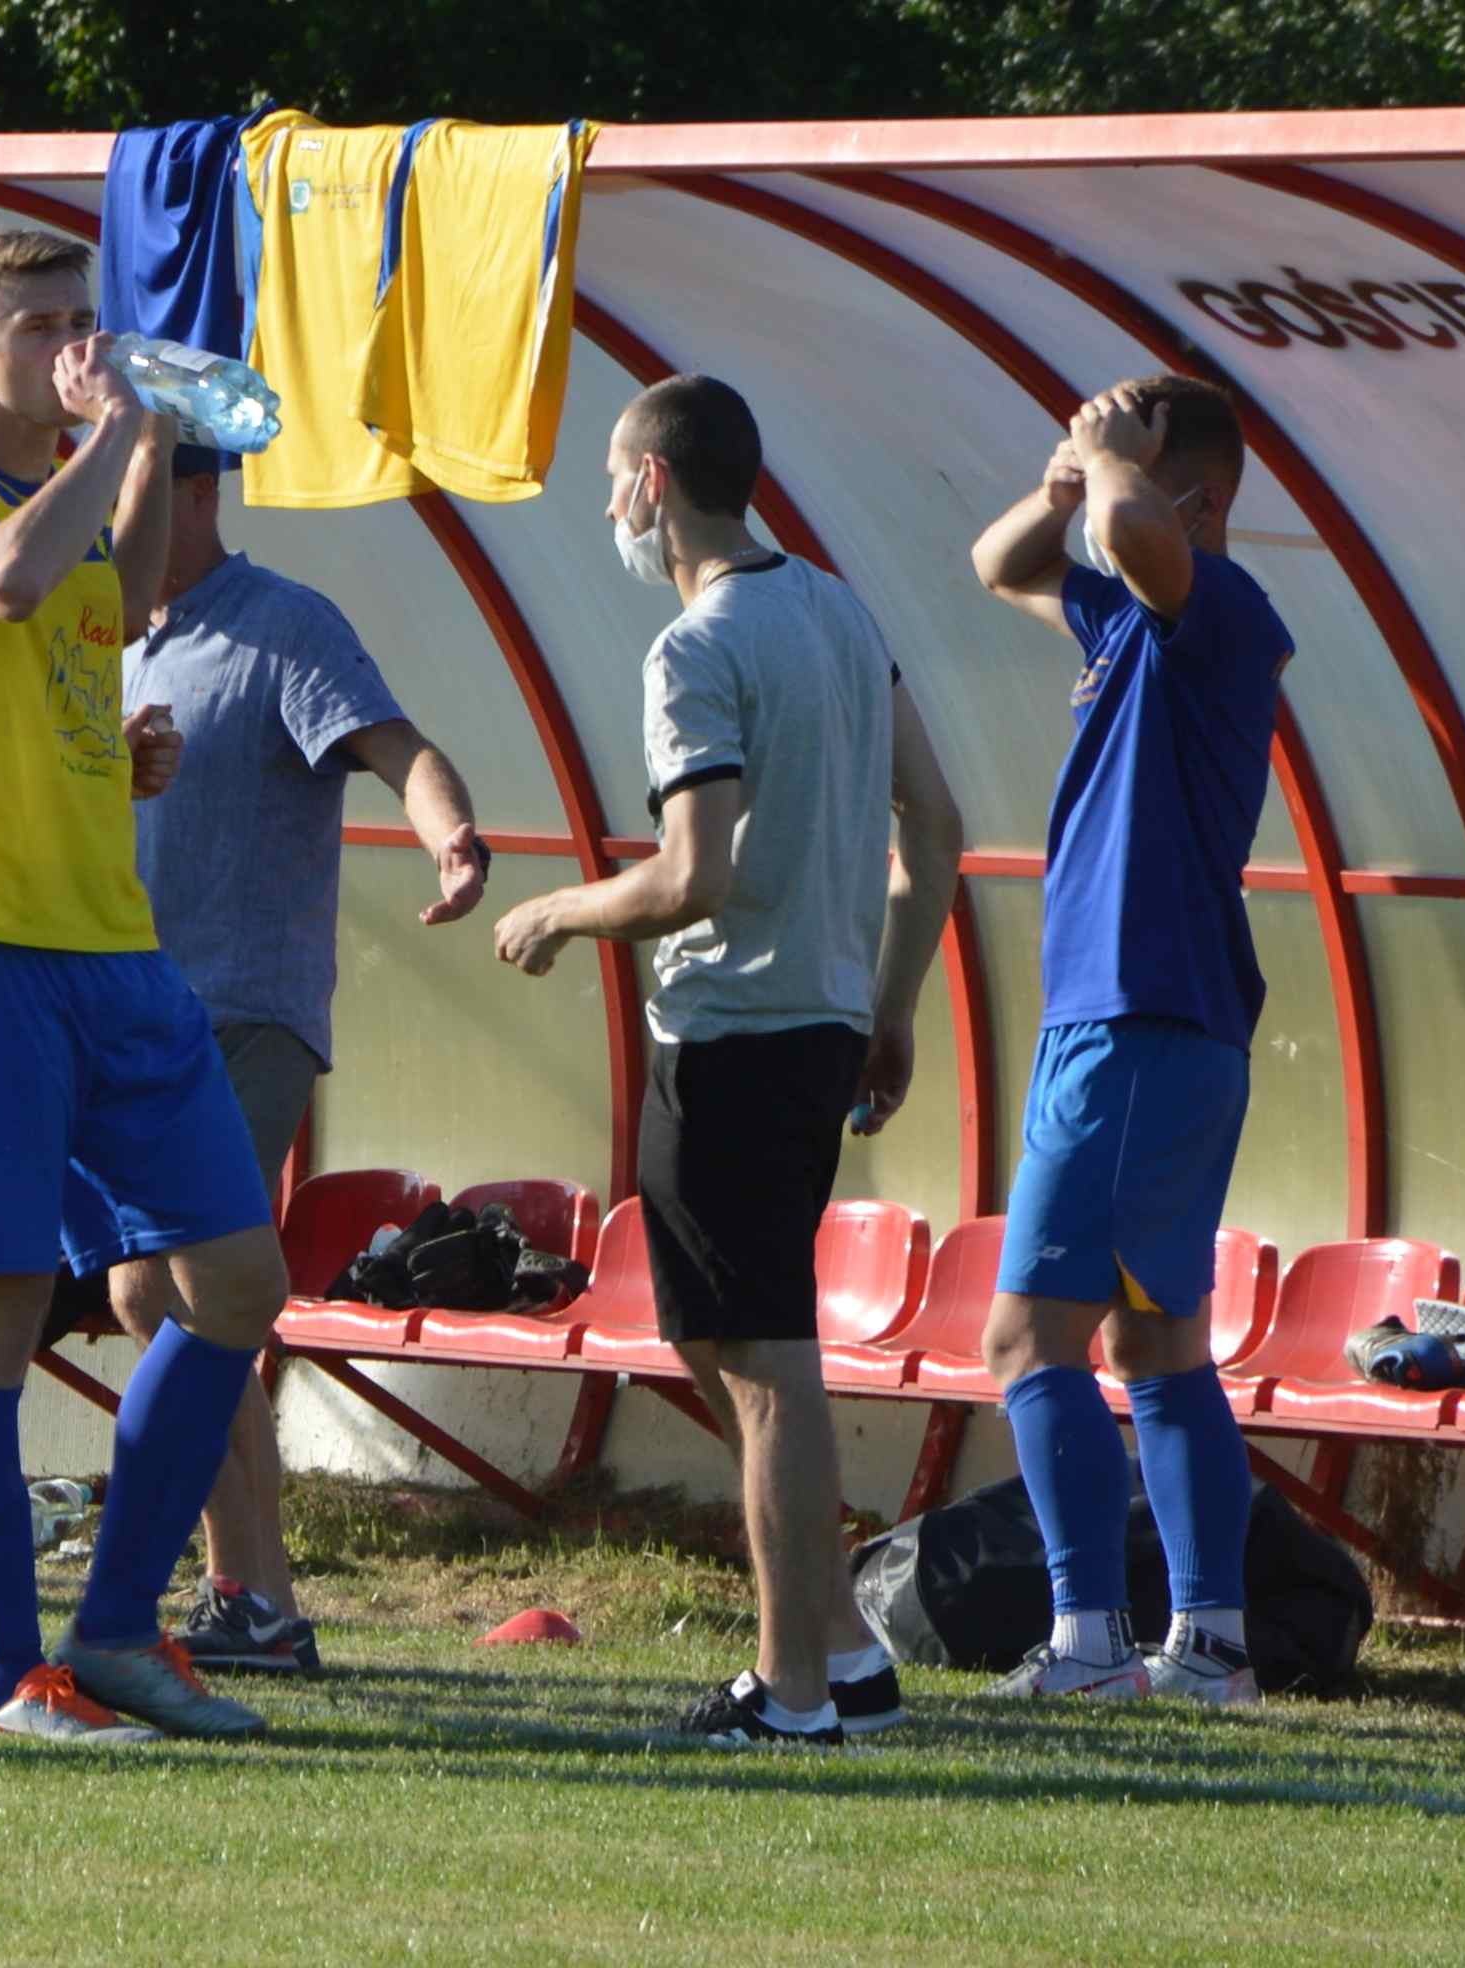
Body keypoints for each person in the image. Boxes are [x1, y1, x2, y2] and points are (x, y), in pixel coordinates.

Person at [0, 226, 287, 1747]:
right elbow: (16, 587)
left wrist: (145, 430)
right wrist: (113, 433)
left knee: (237, 1282)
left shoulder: (81, 495)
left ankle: (110, 1634)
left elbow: (117, 596)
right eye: (38, 327)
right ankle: (4, 1669)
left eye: (83, 322)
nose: (71, 347)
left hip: (114, 953)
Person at [492, 374, 959, 1745]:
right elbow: (930, 822)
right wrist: (888, 1002)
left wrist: (563, 909)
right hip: (811, 1023)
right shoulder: (836, 609)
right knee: (716, 1336)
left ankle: (796, 1696)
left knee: (764, 1363)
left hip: (737, 1034)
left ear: (649, 482)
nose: (607, 511)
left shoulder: (697, 645)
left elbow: (693, 875)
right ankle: (838, 1652)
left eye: (607, 483)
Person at [113, 442, 489, 1673]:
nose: (109, 505)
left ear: (195, 487)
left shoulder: (283, 626)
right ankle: (257, 1601)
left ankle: (249, 1598)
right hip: (134, 1013)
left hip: (251, 1013)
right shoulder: (105, 632)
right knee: (149, 1298)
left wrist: (454, 838)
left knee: (193, 1296)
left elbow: (401, 750)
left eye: (132, 480)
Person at [964, 375, 1288, 1708]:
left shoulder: (1220, 611)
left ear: (1195, 499)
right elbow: (998, 567)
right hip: (1141, 1023)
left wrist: (1113, 473)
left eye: (1134, 477)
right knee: (1155, 1348)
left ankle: (1087, 1644)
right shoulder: (1128, 615)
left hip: (1138, 1019)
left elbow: (1141, 542)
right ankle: (1207, 1645)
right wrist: (1068, 478)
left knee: (1026, 1338)